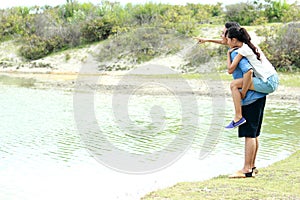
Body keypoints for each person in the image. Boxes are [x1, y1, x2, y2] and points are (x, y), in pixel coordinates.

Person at [194, 22, 268, 177]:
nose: (221, 37)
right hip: (259, 95)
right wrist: (206, 40)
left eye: (223, 34)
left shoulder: (237, 53)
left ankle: (246, 170)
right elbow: (223, 43)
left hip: (250, 97)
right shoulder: (242, 47)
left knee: (249, 134)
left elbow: (247, 71)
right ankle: (252, 167)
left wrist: (243, 93)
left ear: (232, 38)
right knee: (253, 133)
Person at [224, 26, 279, 129]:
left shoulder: (242, 51)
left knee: (233, 85)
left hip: (268, 82)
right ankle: (238, 116)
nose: (226, 42)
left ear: (234, 40)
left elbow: (230, 69)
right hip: (274, 78)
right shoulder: (249, 44)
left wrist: (243, 92)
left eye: (227, 39)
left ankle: (238, 117)